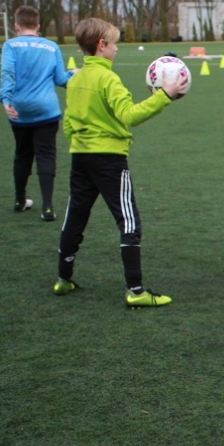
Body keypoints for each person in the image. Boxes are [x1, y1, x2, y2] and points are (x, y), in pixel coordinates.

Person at [53, 17, 184, 306]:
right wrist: (165, 95)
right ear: (102, 45)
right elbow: (129, 115)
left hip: (80, 158)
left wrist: (80, 144)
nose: (116, 48)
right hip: (110, 160)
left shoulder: (75, 79)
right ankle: (136, 291)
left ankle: (63, 279)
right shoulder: (108, 78)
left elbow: (69, 123)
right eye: (114, 43)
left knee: (75, 216)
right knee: (128, 220)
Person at [0, 5, 71, 219]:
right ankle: (47, 207)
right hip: (47, 109)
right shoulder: (51, 46)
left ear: (16, 26)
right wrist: (75, 74)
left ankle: (20, 200)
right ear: (38, 26)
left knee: (22, 154)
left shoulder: (10, 45)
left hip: (20, 109)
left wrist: (5, 99)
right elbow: (61, 79)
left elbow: (7, 72)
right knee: (46, 155)